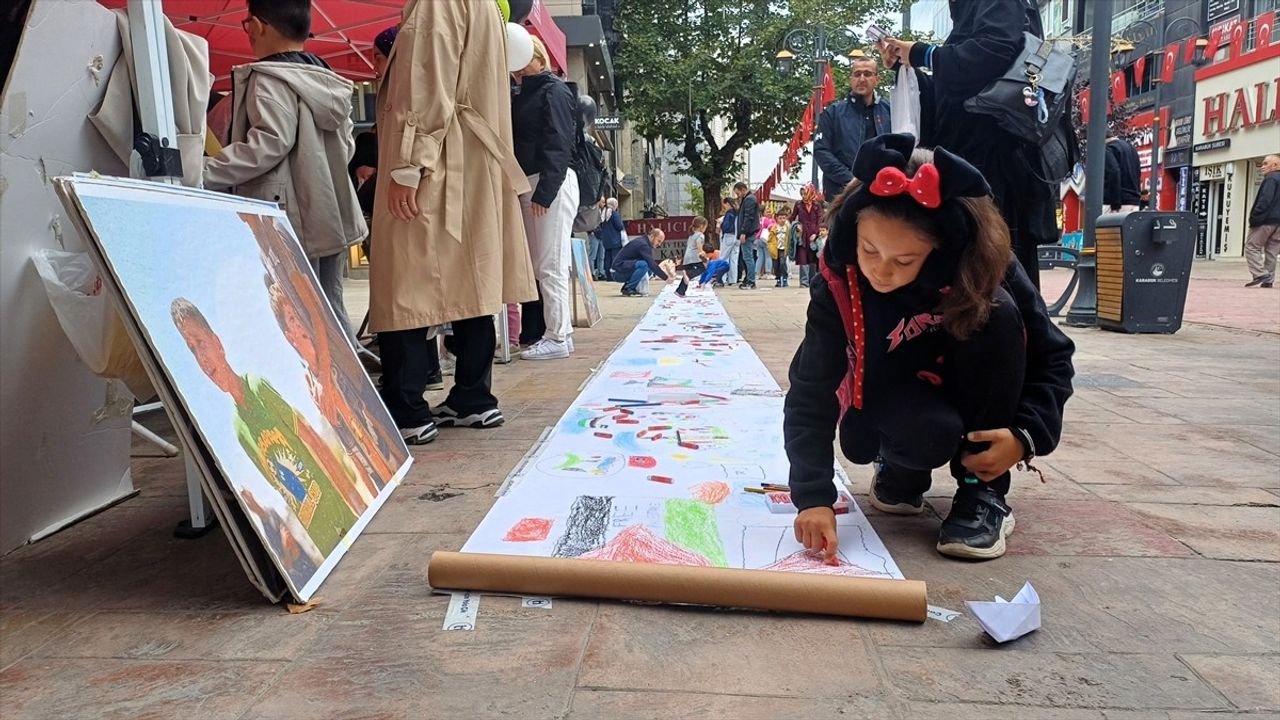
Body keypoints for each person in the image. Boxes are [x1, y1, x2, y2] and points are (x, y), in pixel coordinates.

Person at [784, 134, 1075, 561]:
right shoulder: (840, 282)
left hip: (977, 393)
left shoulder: (984, 265)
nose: (881, 271)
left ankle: (983, 491)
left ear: (942, 252)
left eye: (904, 260)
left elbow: (1053, 357)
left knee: (996, 312)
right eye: (869, 250)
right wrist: (812, 497)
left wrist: (1024, 436)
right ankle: (902, 468)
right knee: (927, 432)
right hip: (898, 400)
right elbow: (810, 391)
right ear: (850, 235)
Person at [371, 0, 538, 443]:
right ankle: (473, 397)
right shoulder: (486, 6)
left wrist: (408, 167)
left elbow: (424, 85)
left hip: (440, 161)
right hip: (473, 159)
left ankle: (407, 407)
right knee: (473, 277)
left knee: (405, 281)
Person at [203, 0, 367, 344]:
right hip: (330, 212)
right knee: (329, 309)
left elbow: (268, 144)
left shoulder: (269, 79)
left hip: (286, 213)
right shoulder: (327, 81)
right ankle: (348, 374)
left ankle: (322, 377)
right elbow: (346, 147)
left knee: (292, 314)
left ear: (258, 26)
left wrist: (203, 170)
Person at [881, 0, 1055, 288]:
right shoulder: (970, 15)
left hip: (994, 167)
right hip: (974, 165)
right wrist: (907, 63)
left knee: (995, 275)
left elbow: (993, 52)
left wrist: (924, 54)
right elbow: (953, 94)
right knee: (978, 272)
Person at [171, 298, 362, 556]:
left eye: (201, 343)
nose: (202, 359)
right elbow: (281, 489)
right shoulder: (239, 430)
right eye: (192, 350)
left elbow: (312, 439)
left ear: (218, 344)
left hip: (338, 510)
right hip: (320, 534)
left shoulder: (257, 387)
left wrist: (353, 498)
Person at [511, 36, 580, 361]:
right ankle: (558, 332)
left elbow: (559, 141)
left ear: (538, 57)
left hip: (547, 182)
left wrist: (546, 191)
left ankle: (557, 334)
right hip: (536, 182)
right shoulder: (531, 91)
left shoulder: (553, 90)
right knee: (545, 265)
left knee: (550, 264)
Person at [814, 55, 892, 202]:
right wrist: (851, 180)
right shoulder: (833, 113)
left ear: (877, 79)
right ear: (851, 79)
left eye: (867, 74)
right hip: (842, 194)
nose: (862, 79)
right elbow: (821, 151)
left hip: (883, 194)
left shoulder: (891, 112)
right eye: (857, 74)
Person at [1245, 154, 1280, 288]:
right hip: (1278, 223)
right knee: (1272, 251)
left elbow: (1265, 200)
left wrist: (1255, 217)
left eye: (1265, 164)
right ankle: (1268, 280)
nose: (1262, 167)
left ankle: (1260, 274)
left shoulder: (1271, 178)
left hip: (1265, 220)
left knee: (1251, 246)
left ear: (1275, 165)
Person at [613, 228, 671, 296]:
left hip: (621, 269)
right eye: (659, 241)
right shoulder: (643, 245)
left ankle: (628, 286)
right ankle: (629, 288)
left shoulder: (644, 242)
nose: (659, 244)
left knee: (649, 269)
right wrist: (666, 278)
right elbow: (652, 264)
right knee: (644, 265)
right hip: (617, 272)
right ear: (652, 236)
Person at [791, 183, 823, 286]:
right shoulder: (798, 204)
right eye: (803, 194)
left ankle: (812, 281)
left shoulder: (817, 205)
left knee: (813, 258)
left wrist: (816, 234)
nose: (804, 196)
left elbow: (820, 220)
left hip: (813, 233)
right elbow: (792, 218)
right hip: (802, 234)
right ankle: (803, 281)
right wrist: (796, 225)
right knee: (802, 257)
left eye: (805, 193)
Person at [1104, 135, 1141, 214]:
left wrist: (1115, 203)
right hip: (1134, 201)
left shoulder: (1108, 149)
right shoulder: (1131, 148)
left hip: (1118, 203)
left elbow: (1113, 171)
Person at [734, 182, 760, 289]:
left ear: (743, 190)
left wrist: (743, 232)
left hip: (748, 233)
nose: (737, 195)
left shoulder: (749, 200)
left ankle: (751, 280)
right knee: (747, 257)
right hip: (748, 232)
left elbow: (748, 217)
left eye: (738, 193)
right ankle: (748, 279)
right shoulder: (748, 199)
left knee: (748, 257)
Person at [598, 197, 626, 276]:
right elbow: (619, 226)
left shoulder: (603, 213)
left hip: (606, 240)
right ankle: (614, 274)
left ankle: (608, 275)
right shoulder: (614, 214)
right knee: (615, 257)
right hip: (615, 240)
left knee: (607, 258)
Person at [717, 197, 739, 285]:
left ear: (727, 204)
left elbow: (726, 226)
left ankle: (721, 279)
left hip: (728, 236)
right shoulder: (737, 213)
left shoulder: (729, 213)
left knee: (723, 258)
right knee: (734, 259)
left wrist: (721, 224)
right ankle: (733, 279)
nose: (724, 207)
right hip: (736, 237)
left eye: (724, 205)